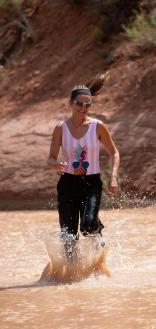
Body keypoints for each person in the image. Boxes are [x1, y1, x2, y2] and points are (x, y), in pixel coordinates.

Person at [47, 72, 120, 259]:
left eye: (87, 105)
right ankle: (72, 276)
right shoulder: (60, 128)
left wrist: (113, 176)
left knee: (87, 226)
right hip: (67, 185)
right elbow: (50, 159)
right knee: (69, 238)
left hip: (91, 185)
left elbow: (114, 152)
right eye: (79, 104)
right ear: (71, 103)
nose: (83, 108)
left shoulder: (98, 126)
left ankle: (97, 236)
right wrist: (57, 165)